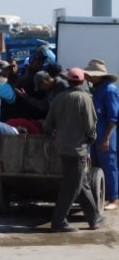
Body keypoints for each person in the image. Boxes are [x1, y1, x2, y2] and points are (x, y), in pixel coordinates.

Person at [43, 67, 104, 232]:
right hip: (78, 149)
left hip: (62, 148)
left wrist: (52, 133)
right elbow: (91, 125)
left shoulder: (59, 98)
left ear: (68, 81)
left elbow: (48, 124)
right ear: (83, 81)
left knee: (81, 182)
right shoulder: (85, 98)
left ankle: (94, 217)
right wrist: (91, 139)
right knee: (72, 186)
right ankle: (58, 222)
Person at [83, 58, 119, 211]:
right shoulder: (97, 89)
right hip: (96, 135)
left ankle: (114, 198)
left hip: (106, 135)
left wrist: (106, 139)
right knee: (96, 166)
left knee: (109, 165)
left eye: (91, 75)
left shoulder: (110, 90)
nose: (89, 77)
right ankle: (101, 195)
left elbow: (113, 117)